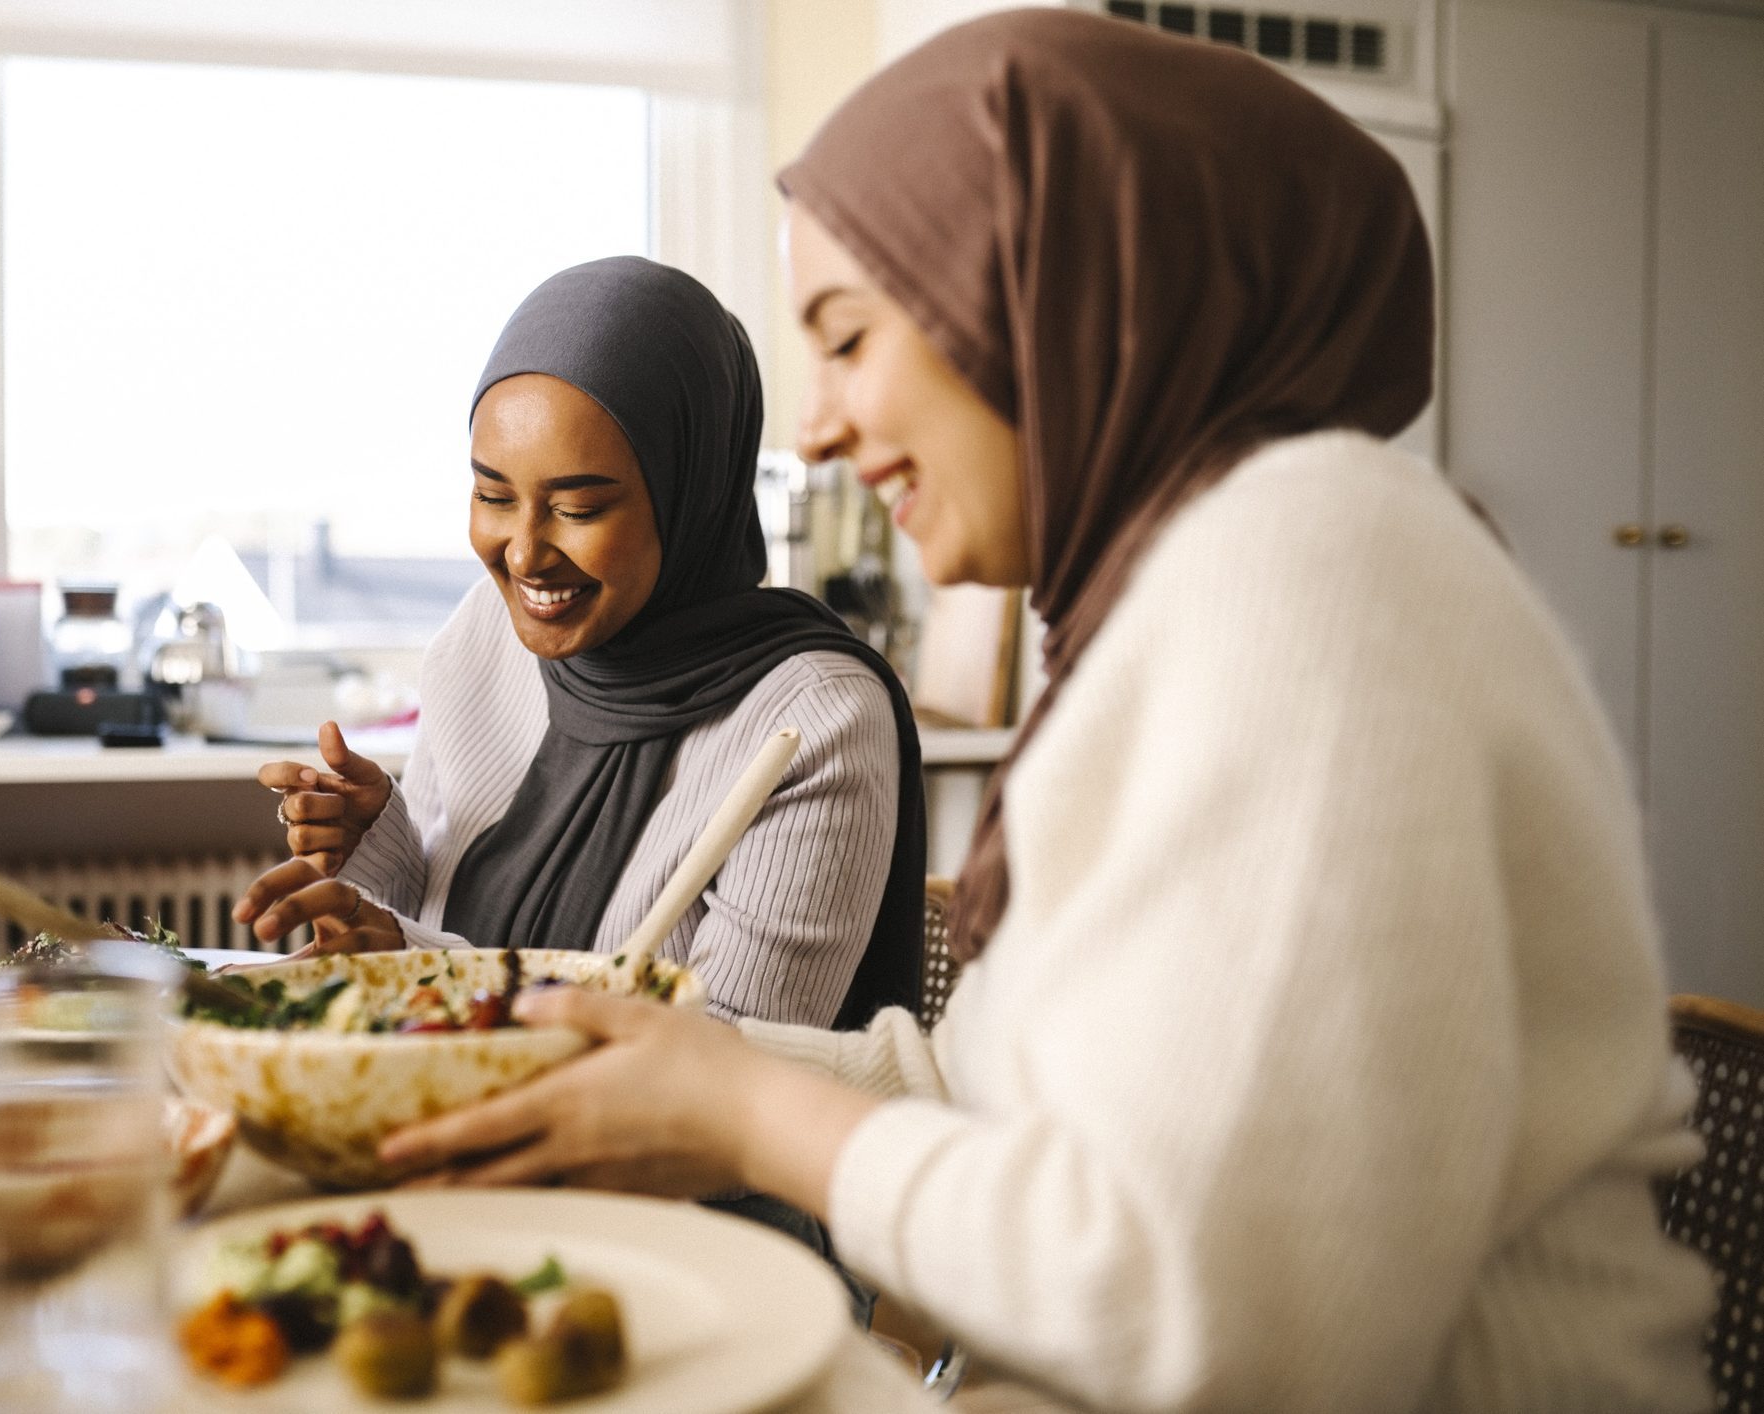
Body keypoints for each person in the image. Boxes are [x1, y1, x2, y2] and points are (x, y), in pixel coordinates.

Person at [374, 13, 1716, 1412]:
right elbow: (1005, 1095)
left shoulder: (1318, 563)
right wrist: (646, 1050)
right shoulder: (1164, 599)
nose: (818, 426)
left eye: (848, 338)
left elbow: (1227, 1321)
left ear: (1050, 296)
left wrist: (745, 1112)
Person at [235, 253, 927, 1032]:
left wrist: (419, 963)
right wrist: (378, 845)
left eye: (580, 508)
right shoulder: (483, 633)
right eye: (492, 495)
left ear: (688, 494)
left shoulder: (815, 721)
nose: (524, 554)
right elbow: (439, 915)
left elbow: (732, 1057)